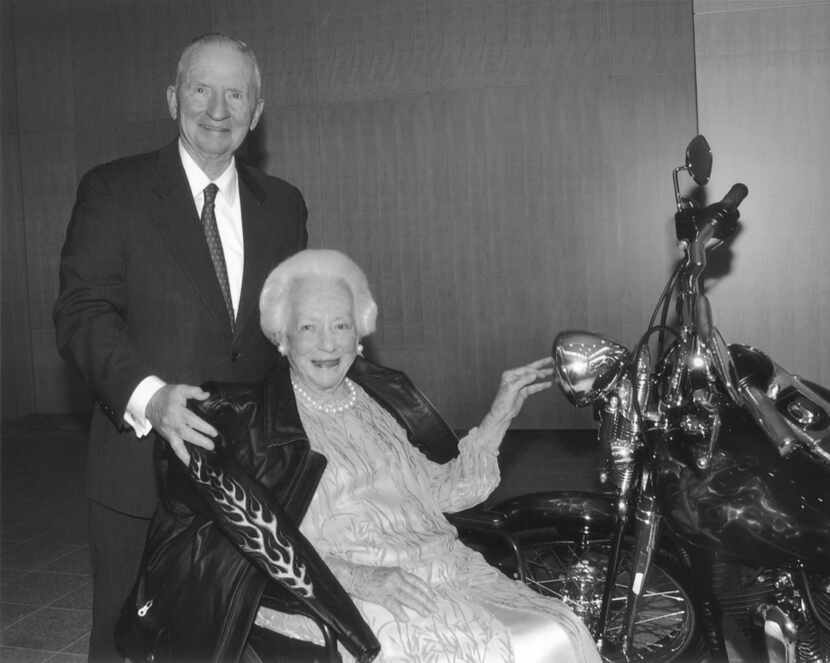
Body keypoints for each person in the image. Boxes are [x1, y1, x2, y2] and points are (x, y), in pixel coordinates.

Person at [117, 249, 601, 662]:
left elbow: (444, 493)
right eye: (307, 327)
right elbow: (253, 544)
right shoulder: (253, 421)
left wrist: (499, 415)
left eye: (340, 326)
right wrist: (361, 578)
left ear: (359, 335)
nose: (327, 343)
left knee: (559, 630)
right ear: (282, 339)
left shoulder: (378, 401)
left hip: (442, 567)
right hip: (334, 595)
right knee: (476, 651)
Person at [53, 33, 308, 662]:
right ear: (173, 98)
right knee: (129, 639)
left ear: (257, 111)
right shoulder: (113, 191)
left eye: (235, 93)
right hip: (141, 468)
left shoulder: (285, 205)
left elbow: (292, 328)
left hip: (251, 477)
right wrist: (152, 396)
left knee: (235, 639)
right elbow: (82, 313)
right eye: (201, 88)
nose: (217, 108)